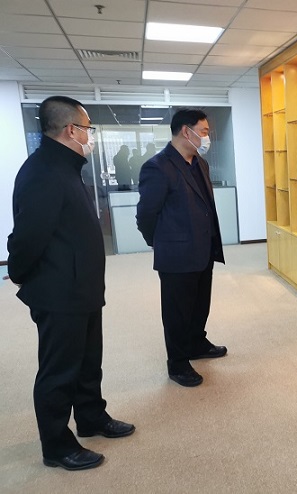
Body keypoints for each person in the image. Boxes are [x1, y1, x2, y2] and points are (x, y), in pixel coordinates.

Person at [6, 96, 135, 471]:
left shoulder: (65, 166)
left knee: (88, 361)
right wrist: (20, 274)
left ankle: (91, 417)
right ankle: (57, 446)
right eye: (87, 127)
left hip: (82, 288)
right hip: (59, 292)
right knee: (59, 371)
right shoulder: (43, 171)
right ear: (70, 130)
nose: (90, 135)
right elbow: (27, 237)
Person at [136, 109, 226, 388]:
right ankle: (177, 362)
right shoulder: (157, 167)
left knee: (200, 303)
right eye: (204, 131)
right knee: (177, 311)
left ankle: (196, 342)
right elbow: (146, 215)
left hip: (204, 248)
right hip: (176, 254)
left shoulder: (200, 163)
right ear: (186, 132)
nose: (207, 137)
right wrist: (161, 242)